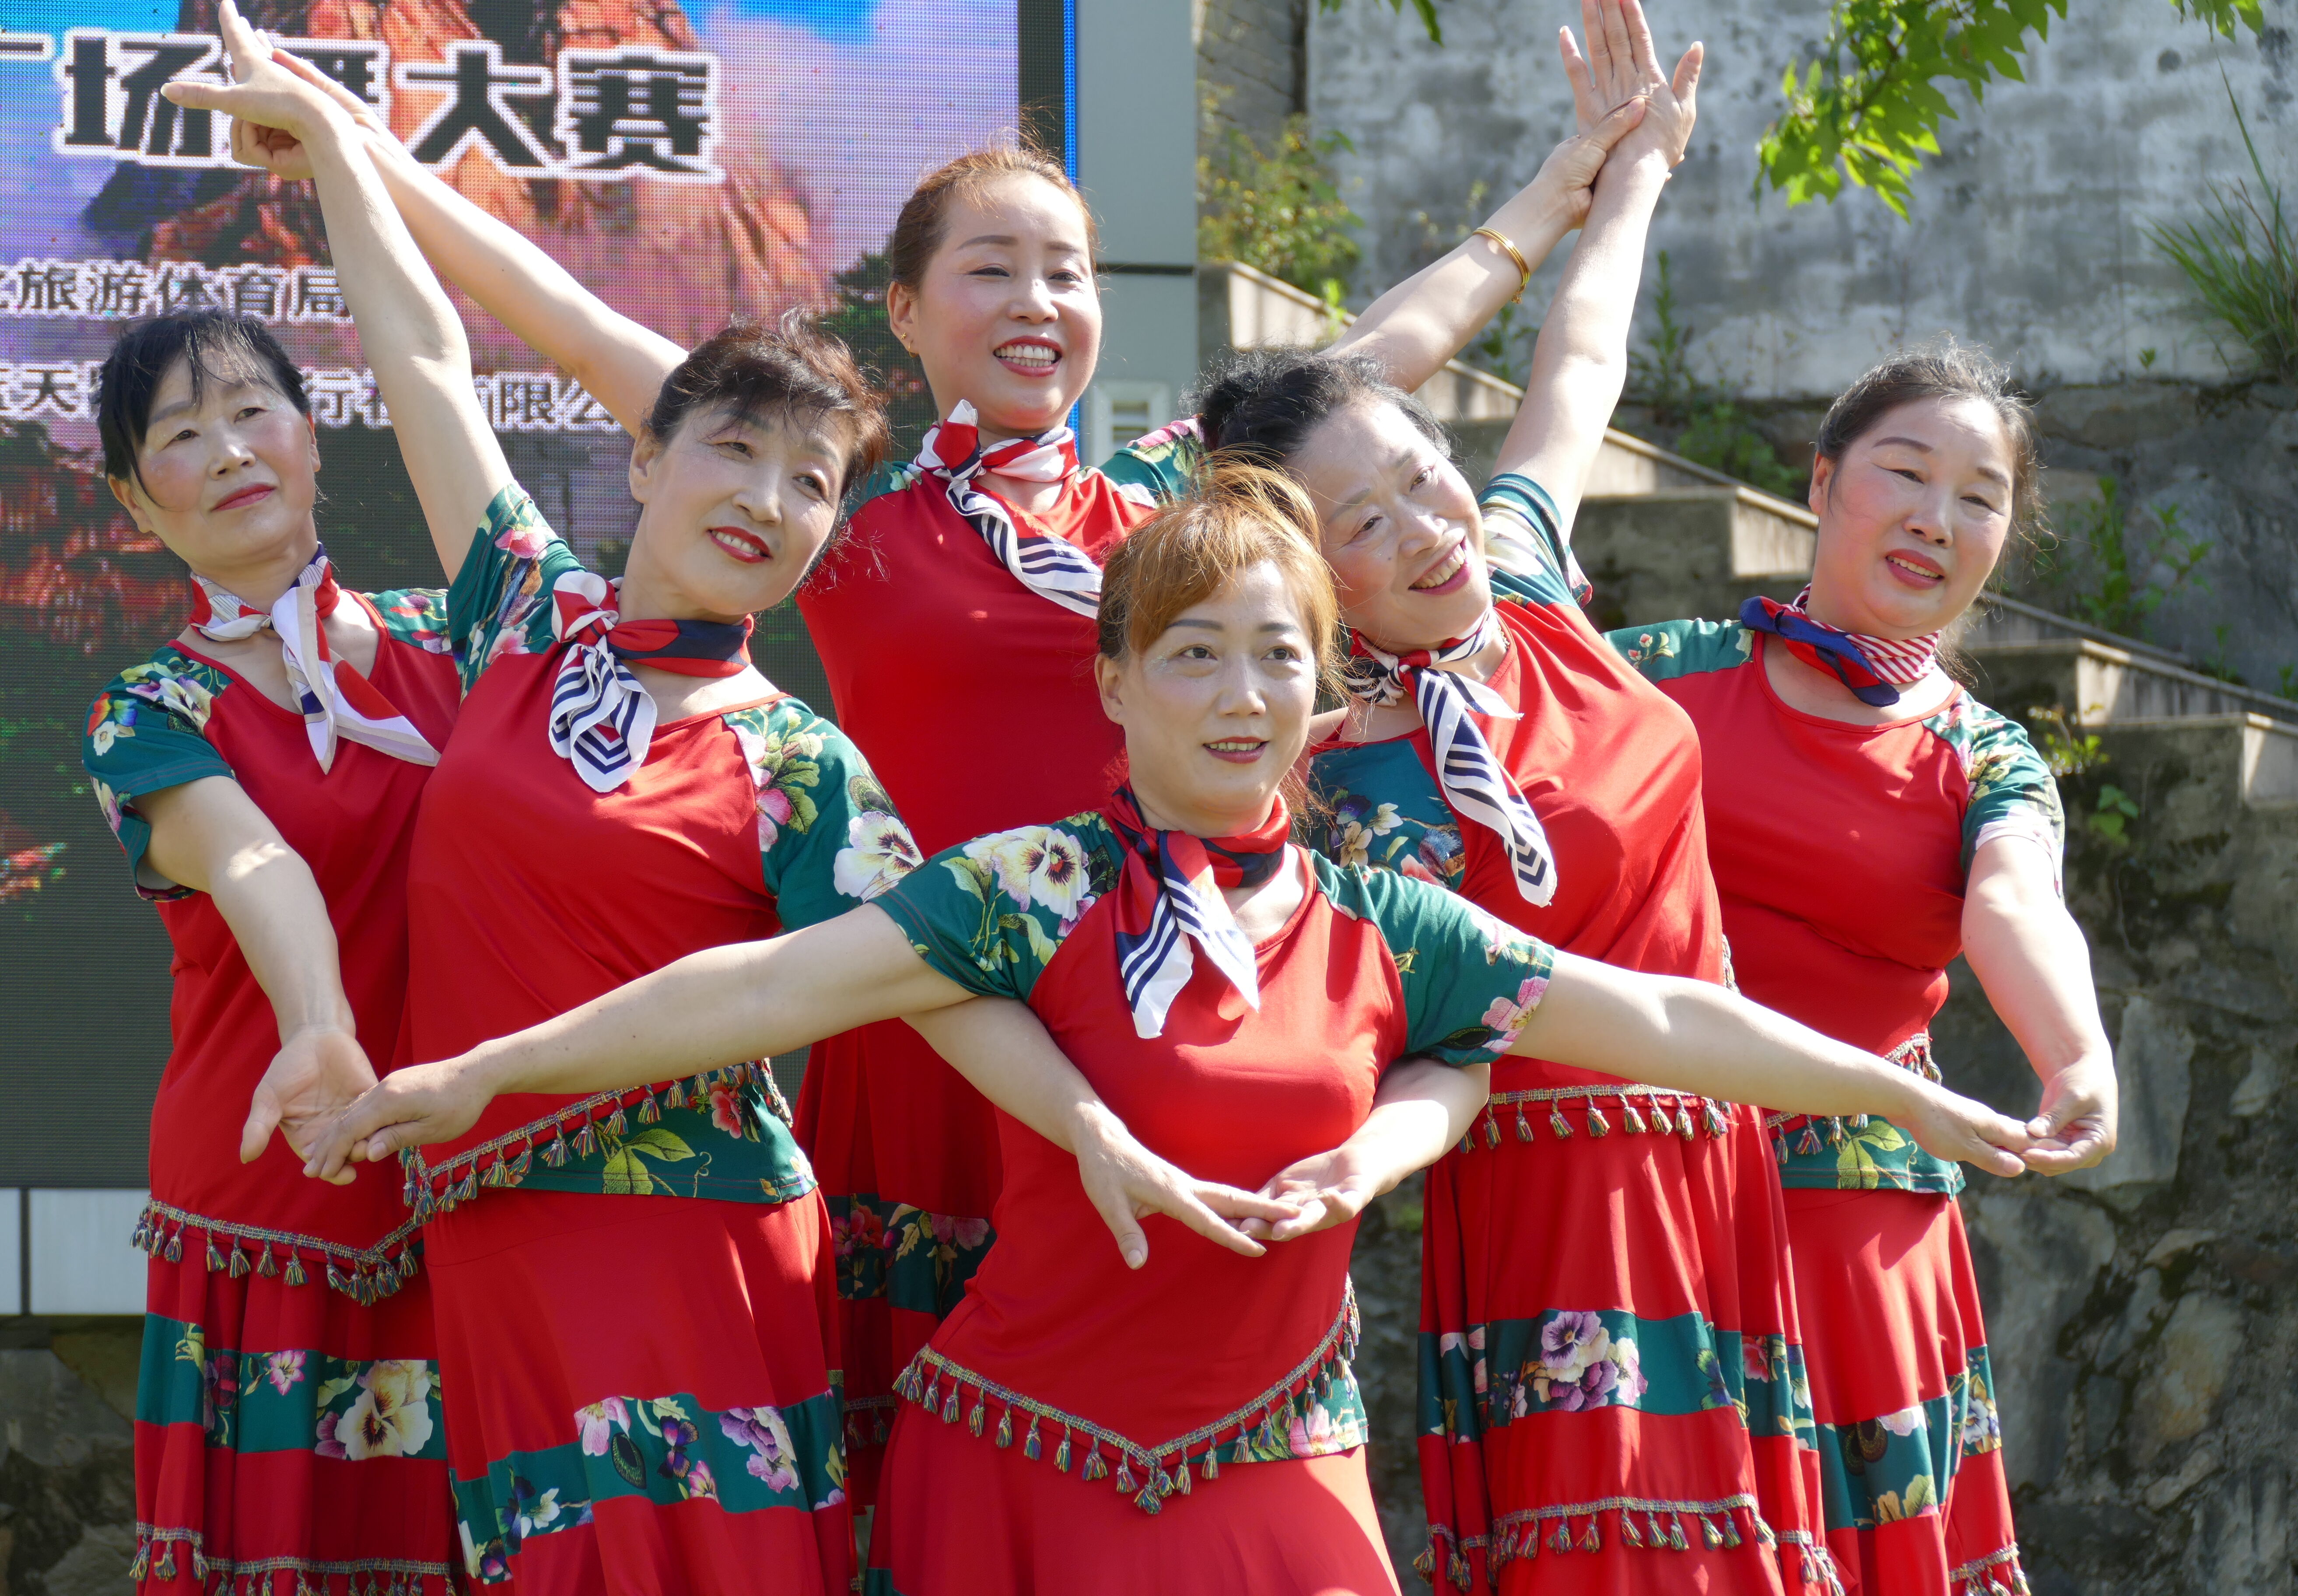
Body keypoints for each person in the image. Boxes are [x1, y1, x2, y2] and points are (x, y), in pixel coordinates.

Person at [255, 36, 1657, 1496]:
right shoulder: (840, 515)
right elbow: (566, 323)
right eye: (993, 269)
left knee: (1164, 1441)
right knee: (916, 1474)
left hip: (1148, 1021)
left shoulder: (1165, 512)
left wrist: (1565, 188)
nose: (1038, 302)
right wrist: (369, 156)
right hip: (928, 1028)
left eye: (1068, 273)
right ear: (907, 312)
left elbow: (1375, 357)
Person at [302, 466, 2037, 1596]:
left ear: (1321, 692)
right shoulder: (1028, 886)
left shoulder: (1387, 924)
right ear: (1116, 684)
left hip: (1277, 1469)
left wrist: (1900, 1097)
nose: (1239, 693)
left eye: (1276, 656)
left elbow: (1656, 1012)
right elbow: (754, 993)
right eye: (1193, 655)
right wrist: (480, 1073)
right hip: (1017, 1472)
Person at [165, 14, 1285, 1592]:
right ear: (650, 458)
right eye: (737, 452)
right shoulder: (518, 621)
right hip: (488, 1229)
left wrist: (1092, 1126)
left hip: (700, 1238)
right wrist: (338, 146)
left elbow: (931, 976)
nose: (767, 499)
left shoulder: (799, 764)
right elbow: (421, 354)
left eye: (812, 483)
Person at [1197, 4, 1848, 1589]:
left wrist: (1631, 176)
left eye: (1422, 476)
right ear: (1311, 576)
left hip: (1714, 1136)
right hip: (1540, 1180)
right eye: (1362, 525)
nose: (1427, 529)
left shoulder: (1531, 589)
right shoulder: (1319, 771)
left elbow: (1581, 359)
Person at [1604, 343, 2117, 1596]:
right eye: (1906, 472)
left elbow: (2015, 899)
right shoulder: (1651, 677)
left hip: (1847, 1228)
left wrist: (2076, 1055)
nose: (1938, 518)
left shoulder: (1986, 757)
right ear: (1825, 482)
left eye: (1981, 498)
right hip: (1637, 1194)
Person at [81, 318, 461, 1589]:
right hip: (273, 1185)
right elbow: (253, 861)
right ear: (136, 501)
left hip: (472, 1167)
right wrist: (320, 1026)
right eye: (183, 435)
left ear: (312, 431)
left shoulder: (462, 647)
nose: (232, 450)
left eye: (253, 412)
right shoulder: (146, 712)